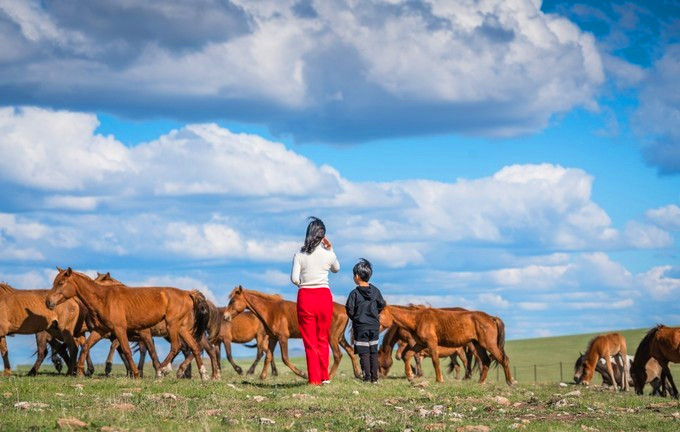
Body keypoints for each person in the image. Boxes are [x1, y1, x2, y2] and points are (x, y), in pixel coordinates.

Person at [290, 217, 339, 385]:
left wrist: (303, 284)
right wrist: (331, 249)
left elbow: (294, 279)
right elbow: (336, 269)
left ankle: (314, 379)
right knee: (322, 338)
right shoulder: (328, 255)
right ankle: (325, 377)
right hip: (324, 297)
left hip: (306, 297)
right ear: (323, 235)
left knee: (310, 341)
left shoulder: (299, 255)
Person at [345, 258, 386, 383]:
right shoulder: (376, 291)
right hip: (374, 326)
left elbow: (349, 309)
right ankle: (375, 378)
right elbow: (382, 304)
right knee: (373, 352)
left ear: (357, 276)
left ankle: (367, 378)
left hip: (360, 327)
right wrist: (374, 314)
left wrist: (356, 318)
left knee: (364, 353)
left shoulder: (354, 293)